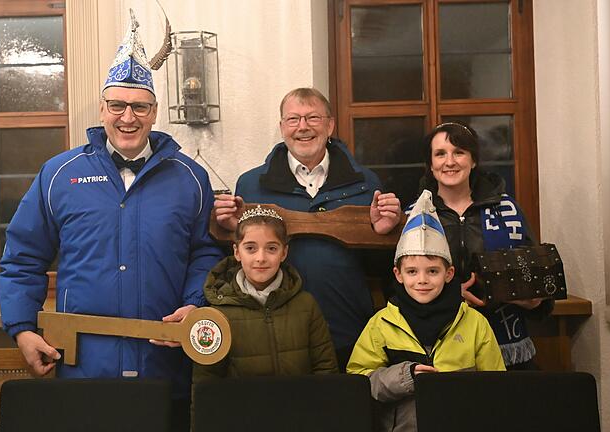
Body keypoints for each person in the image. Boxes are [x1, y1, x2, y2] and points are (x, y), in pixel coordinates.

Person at [0, 10, 221, 428]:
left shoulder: (191, 178)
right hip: (83, 370)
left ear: (155, 112)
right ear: (102, 108)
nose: (127, 117)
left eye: (139, 106)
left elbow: (205, 252)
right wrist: (22, 329)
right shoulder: (59, 175)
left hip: (165, 366)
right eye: (117, 105)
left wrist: (195, 304)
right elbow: (23, 257)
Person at [213, 87, 401, 369]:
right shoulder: (251, 185)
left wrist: (384, 233)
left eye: (313, 117)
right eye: (293, 119)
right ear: (282, 127)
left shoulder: (366, 184)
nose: (303, 127)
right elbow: (239, 260)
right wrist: (230, 229)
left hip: (348, 329)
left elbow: (381, 268)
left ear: (330, 125)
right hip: (278, 337)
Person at [347, 189, 505, 432]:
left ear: (449, 274)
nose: (422, 280)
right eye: (412, 271)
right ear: (398, 275)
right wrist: (405, 376)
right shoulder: (382, 324)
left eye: (432, 271)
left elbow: (497, 386)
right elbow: (359, 381)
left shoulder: (474, 323)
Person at [417, 122, 553, 369]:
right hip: (439, 346)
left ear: (474, 160)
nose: (450, 161)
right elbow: (399, 282)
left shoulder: (508, 209)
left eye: (459, 152)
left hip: (506, 343)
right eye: (440, 154)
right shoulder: (416, 215)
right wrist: (449, 294)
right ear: (430, 164)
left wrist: (533, 298)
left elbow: (536, 274)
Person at [192, 205, 338, 385]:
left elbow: (326, 369)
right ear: (237, 252)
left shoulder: (306, 305)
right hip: (243, 410)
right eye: (251, 248)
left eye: (271, 248)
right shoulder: (217, 313)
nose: (261, 258)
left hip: (299, 409)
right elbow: (206, 382)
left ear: (284, 252)